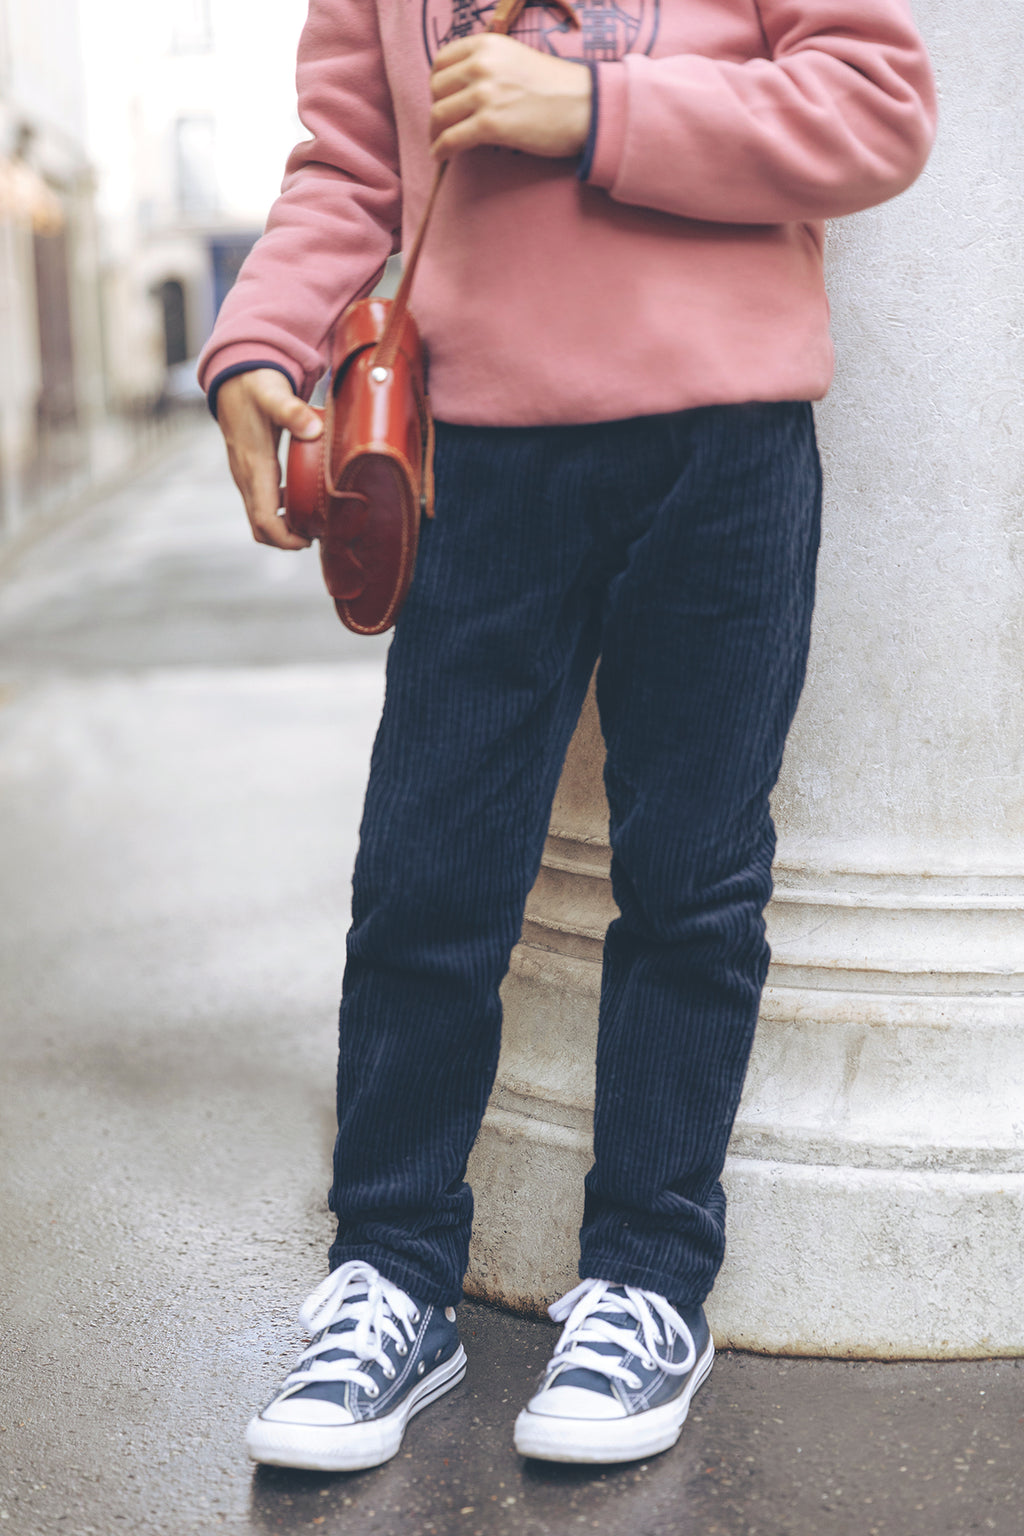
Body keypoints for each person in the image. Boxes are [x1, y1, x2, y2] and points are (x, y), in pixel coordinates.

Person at [198, 0, 935, 1473]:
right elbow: (349, 162)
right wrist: (258, 341)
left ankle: (650, 1283)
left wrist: (596, 112)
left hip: (725, 445)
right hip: (482, 456)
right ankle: (390, 1276)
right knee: (427, 877)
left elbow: (876, 106)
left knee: (693, 882)